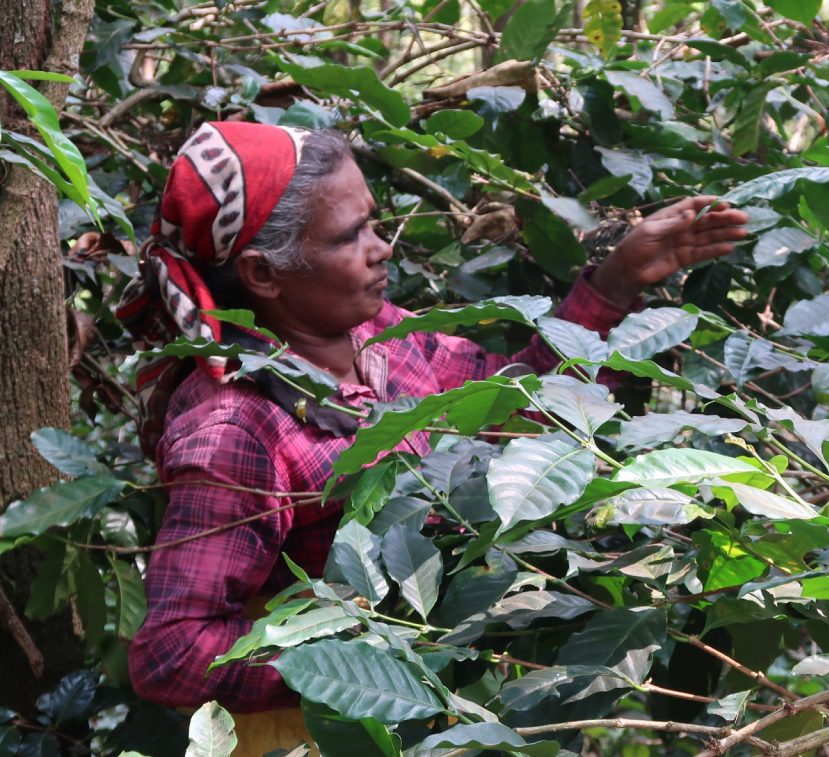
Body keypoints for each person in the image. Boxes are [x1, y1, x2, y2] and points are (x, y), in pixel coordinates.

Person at [117, 122, 748, 711]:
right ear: (263, 273)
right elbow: (173, 653)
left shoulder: (379, 334)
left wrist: (614, 284)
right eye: (349, 237)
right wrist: (366, 665)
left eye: (373, 223)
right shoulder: (236, 426)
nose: (381, 248)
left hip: (433, 721)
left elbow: (515, 409)